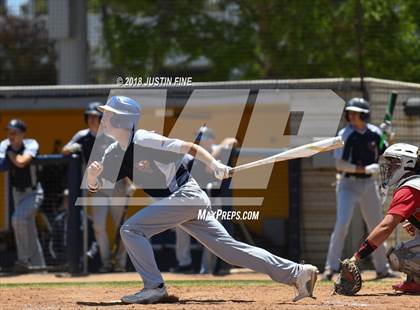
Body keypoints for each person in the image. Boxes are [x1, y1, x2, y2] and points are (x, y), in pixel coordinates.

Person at [86, 95, 318, 304]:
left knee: (131, 230)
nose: (103, 119)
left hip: (187, 196)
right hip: (181, 202)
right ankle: (297, 272)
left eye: (108, 115)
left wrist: (214, 164)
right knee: (230, 251)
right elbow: (96, 187)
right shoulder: (113, 152)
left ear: (122, 121)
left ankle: (154, 287)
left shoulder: (144, 139)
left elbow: (190, 147)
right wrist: (93, 176)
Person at [322, 97, 396, 280]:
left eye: (356, 113)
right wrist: (362, 169)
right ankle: (330, 268)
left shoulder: (375, 133)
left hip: (368, 184)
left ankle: (382, 269)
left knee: (376, 225)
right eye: (350, 113)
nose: (352, 116)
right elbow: (339, 164)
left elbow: (388, 155)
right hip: (348, 183)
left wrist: (389, 137)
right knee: (342, 224)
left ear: (364, 114)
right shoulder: (345, 134)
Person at [62, 102, 132, 272]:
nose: (93, 120)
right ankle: (106, 262)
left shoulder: (110, 135)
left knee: (120, 226)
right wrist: (73, 148)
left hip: (117, 185)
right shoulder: (82, 136)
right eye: (90, 117)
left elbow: (126, 157)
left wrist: (130, 183)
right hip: (97, 187)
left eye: (96, 117)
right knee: (98, 226)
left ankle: (120, 264)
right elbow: (65, 150)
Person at [344, 143, 420, 293]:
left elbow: (386, 227)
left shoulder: (410, 187)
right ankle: (415, 282)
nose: (389, 167)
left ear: (408, 164)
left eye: (393, 163)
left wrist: (357, 257)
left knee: (399, 255)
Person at [171, 127, 237, 274]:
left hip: (212, 198)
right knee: (181, 228)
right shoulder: (191, 153)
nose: (198, 140)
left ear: (211, 140)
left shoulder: (215, 149)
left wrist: (215, 154)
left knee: (213, 233)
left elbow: (232, 140)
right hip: (192, 198)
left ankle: (206, 269)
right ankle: (184, 264)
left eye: (203, 137)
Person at [0, 119, 45, 272]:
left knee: (17, 219)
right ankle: (40, 268)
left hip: (33, 193)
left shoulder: (31, 143)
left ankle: (23, 260)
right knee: (30, 232)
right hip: (16, 193)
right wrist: (10, 156)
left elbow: (22, 161)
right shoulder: (5, 144)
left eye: (14, 132)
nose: (10, 135)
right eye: (9, 132)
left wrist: (11, 156)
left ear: (22, 133)